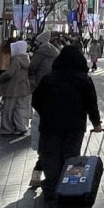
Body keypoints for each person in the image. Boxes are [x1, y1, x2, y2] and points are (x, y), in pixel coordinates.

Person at [31, 45, 102, 201]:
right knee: (71, 157)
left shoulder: (49, 79)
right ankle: (68, 188)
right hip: (75, 126)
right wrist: (96, 123)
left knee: (50, 156)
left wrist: (46, 113)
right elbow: (91, 104)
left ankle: (52, 186)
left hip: (50, 125)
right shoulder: (84, 80)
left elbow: (36, 100)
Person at [28, 31, 61, 189]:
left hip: (42, 94)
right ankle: (53, 178)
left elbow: (32, 68)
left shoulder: (40, 53)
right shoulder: (56, 53)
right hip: (62, 118)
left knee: (46, 145)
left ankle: (41, 176)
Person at [0, 40, 32, 135]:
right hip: (24, 87)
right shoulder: (27, 58)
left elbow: (10, 73)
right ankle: (21, 126)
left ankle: (7, 128)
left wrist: (1, 77)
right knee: (21, 108)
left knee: (8, 109)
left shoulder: (16, 59)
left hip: (13, 88)